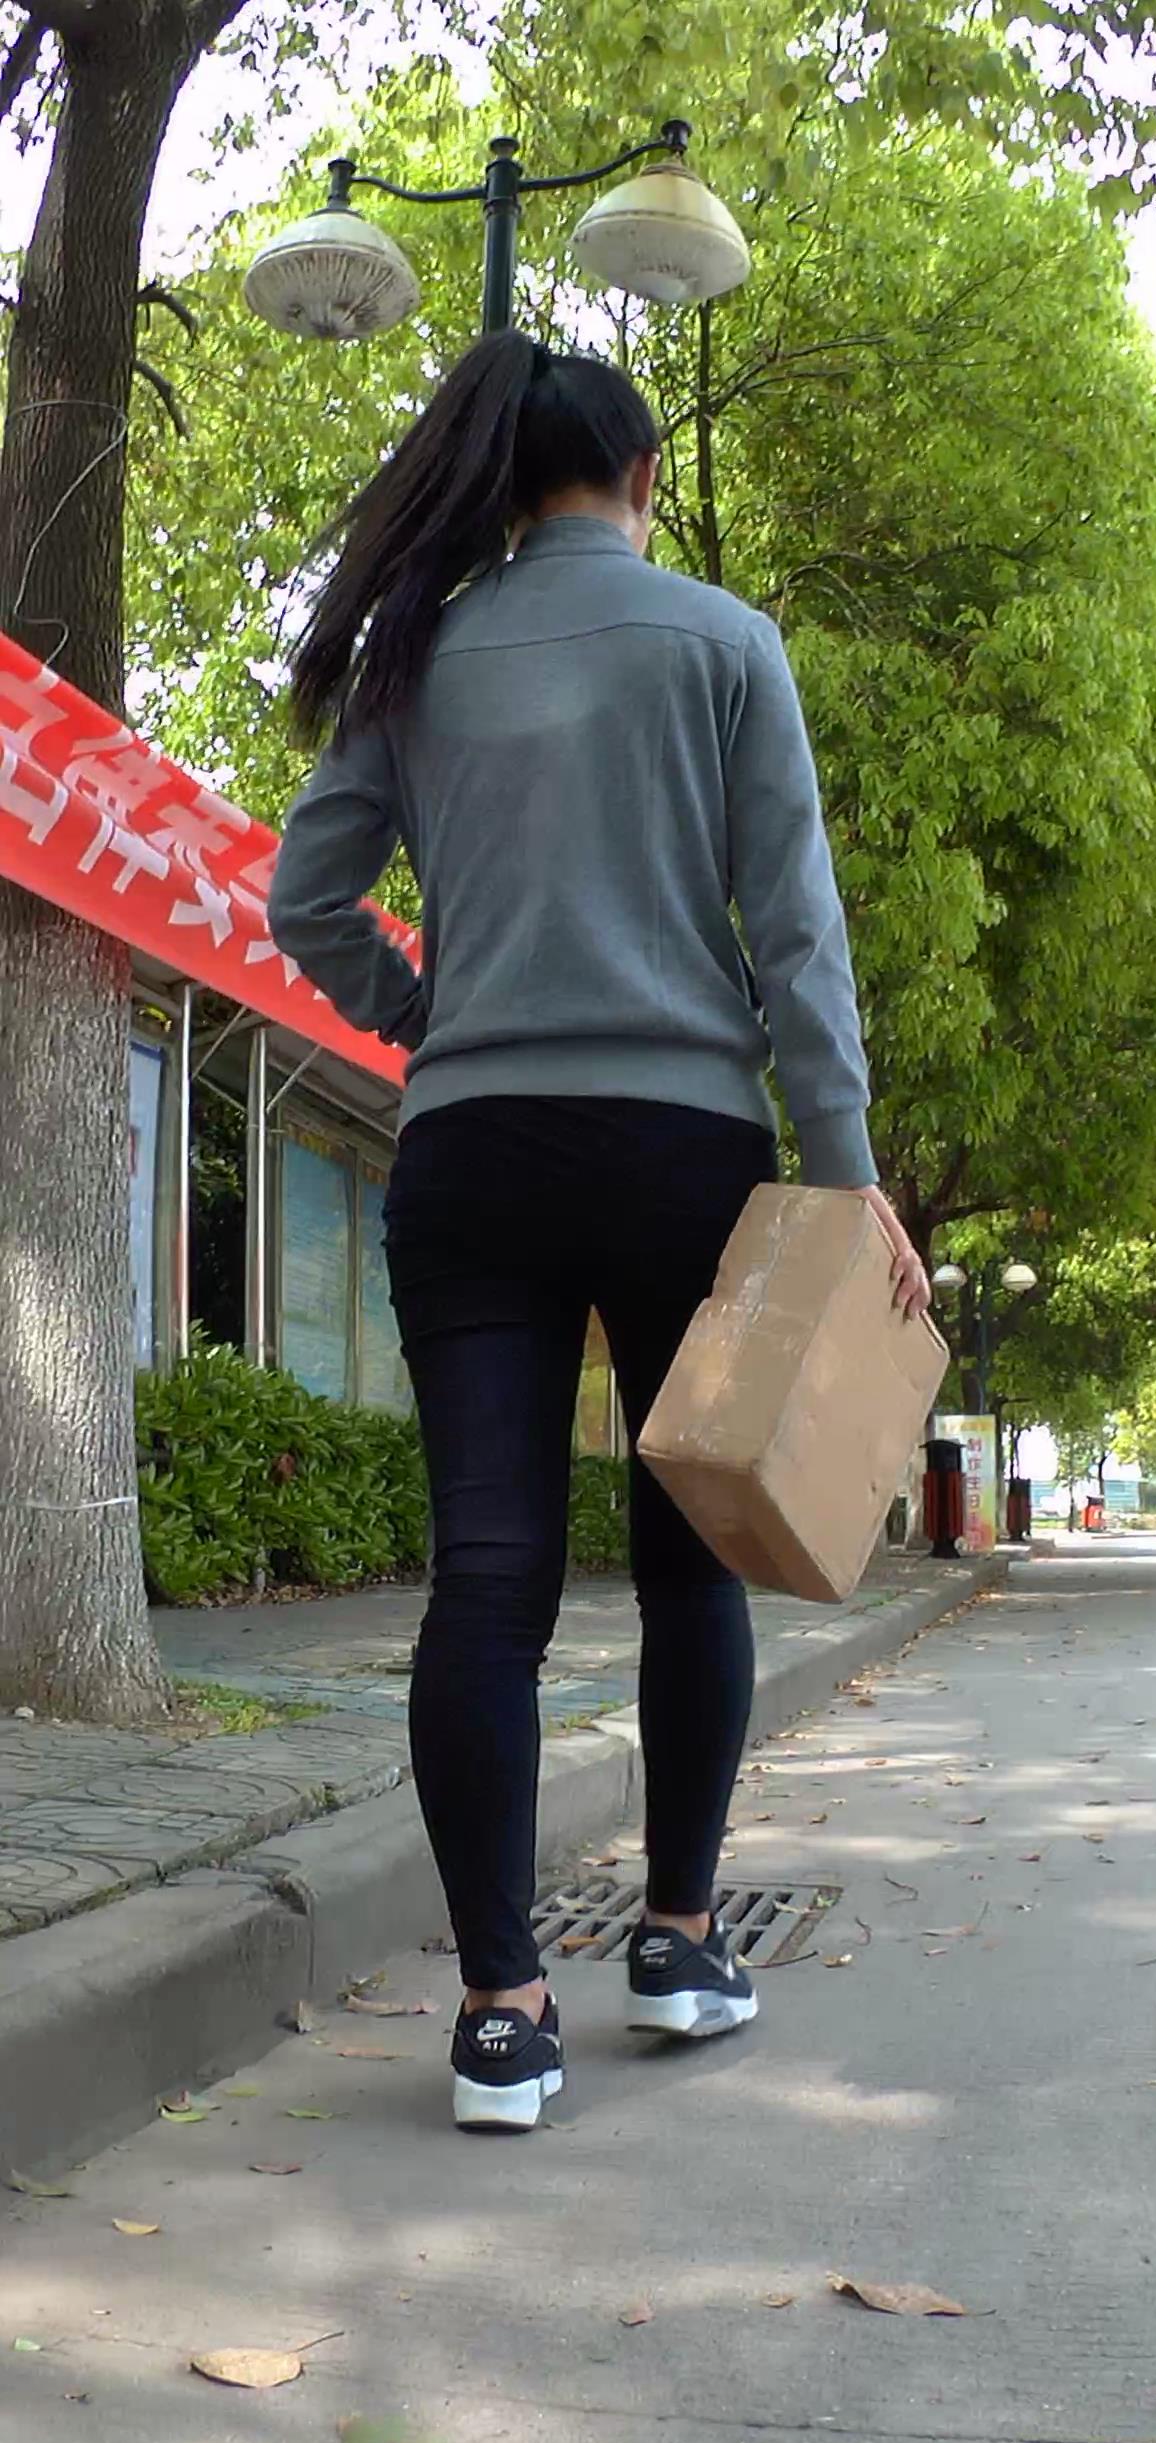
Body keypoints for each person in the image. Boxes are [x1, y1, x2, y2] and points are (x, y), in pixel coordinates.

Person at [267, 331, 928, 2132]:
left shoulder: (415, 659)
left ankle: (500, 2014)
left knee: (487, 1580)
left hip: (473, 1151)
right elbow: (795, 931)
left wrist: (429, 1013)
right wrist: (844, 1164)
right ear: (641, 480)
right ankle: (683, 1943)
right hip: (680, 1151)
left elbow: (306, 899)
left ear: (507, 490)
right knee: (689, 1555)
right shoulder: (725, 643)